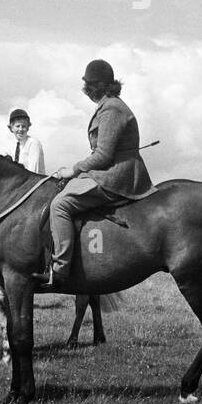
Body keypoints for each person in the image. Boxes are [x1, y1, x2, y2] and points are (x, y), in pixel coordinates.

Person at [39, 60, 152, 288]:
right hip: (110, 170)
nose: (87, 90)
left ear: (98, 86)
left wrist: (73, 169)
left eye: (90, 85)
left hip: (117, 176)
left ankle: (59, 269)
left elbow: (103, 156)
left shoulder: (111, 109)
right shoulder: (108, 105)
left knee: (60, 204)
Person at [8, 109, 46, 175]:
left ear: (28, 128)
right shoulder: (10, 146)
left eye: (24, 126)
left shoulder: (33, 143)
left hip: (35, 183)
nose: (20, 129)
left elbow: (33, 173)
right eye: (17, 126)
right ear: (11, 128)